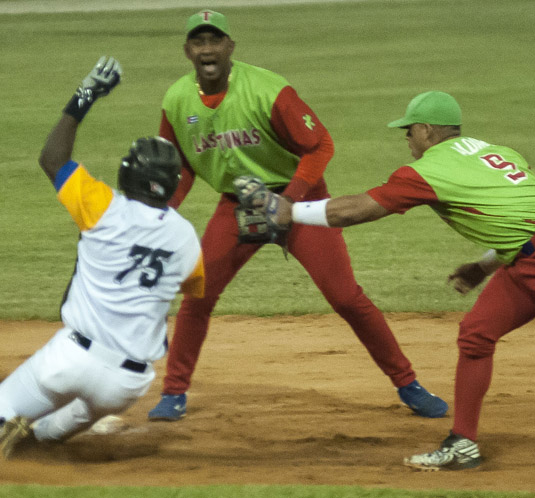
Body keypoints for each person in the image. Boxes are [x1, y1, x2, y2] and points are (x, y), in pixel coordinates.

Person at [265, 90, 535, 469]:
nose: (407, 139)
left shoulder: (427, 170)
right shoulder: (493, 150)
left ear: (427, 130)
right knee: (475, 335)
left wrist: (289, 212)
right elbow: (520, 213)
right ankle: (462, 444)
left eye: (409, 131)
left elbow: (357, 210)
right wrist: (484, 266)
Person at [146, 9, 448, 421]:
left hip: (300, 201)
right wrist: (161, 213)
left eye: (214, 40)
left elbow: (320, 145)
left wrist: (288, 201)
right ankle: (174, 392)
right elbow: (178, 165)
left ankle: (408, 383)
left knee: (346, 297)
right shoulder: (177, 100)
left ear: (230, 46)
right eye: (198, 42)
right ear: (187, 51)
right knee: (197, 294)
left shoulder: (268, 91)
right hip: (236, 205)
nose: (207, 49)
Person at [0, 57, 205, 459]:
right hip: (126, 384)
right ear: (171, 185)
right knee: (48, 435)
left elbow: (52, 158)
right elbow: (193, 289)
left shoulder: (103, 207)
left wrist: (86, 94)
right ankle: (38, 449)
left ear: (127, 175)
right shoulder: (186, 238)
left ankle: (1, 432)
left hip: (70, 359)